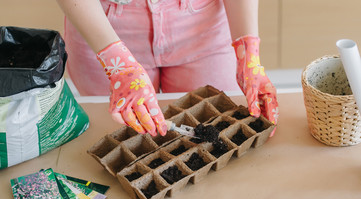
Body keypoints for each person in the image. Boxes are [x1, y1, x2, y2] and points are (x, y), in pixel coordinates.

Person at [56, 0, 279, 137]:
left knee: (215, 123)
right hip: (103, 27)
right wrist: (118, 64)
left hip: (203, 22)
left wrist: (247, 51)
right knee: (119, 133)